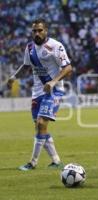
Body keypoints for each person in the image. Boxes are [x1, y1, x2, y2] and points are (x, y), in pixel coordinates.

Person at [7, 18, 72, 171]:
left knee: (41, 123)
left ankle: (33, 162)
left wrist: (53, 82)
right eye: (34, 31)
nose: (37, 33)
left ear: (46, 31)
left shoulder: (56, 46)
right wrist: (14, 77)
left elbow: (68, 68)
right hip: (37, 93)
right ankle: (56, 161)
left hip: (53, 90)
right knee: (39, 127)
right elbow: (25, 66)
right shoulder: (29, 48)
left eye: (40, 30)